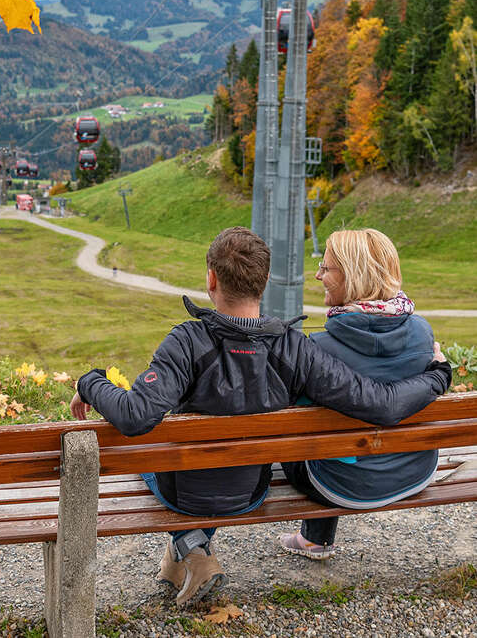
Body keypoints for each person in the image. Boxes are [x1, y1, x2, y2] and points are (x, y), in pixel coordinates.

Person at [70, 227, 451, 608]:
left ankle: (190, 546)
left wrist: (91, 382)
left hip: (184, 493)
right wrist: (437, 376)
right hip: (251, 492)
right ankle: (185, 555)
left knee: (153, 456)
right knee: (212, 458)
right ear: (265, 281)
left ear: (211, 278)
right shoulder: (295, 348)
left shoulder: (187, 341)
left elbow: (136, 416)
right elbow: (379, 403)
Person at [278, 228, 440, 560]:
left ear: (352, 276)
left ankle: (315, 539)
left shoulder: (319, 349)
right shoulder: (423, 333)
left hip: (341, 485)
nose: (317, 275)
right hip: (415, 470)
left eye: (326, 268)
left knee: (310, 438)